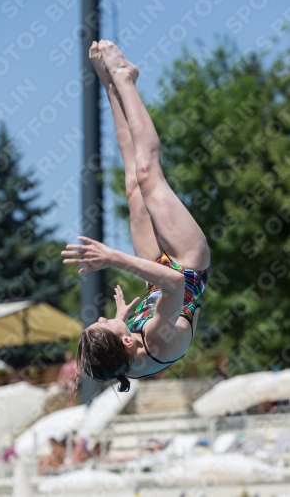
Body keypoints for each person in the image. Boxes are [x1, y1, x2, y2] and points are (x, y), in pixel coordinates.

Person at [62, 40, 211, 392]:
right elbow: (174, 285)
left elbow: (114, 354)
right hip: (186, 266)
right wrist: (114, 258)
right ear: (127, 342)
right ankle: (125, 78)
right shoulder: (159, 341)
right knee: (148, 174)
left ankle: (112, 86)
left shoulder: (122, 357)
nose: (99, 317)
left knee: (132, 184)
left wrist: (117, 319)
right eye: (102, 325)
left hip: (156, 275)